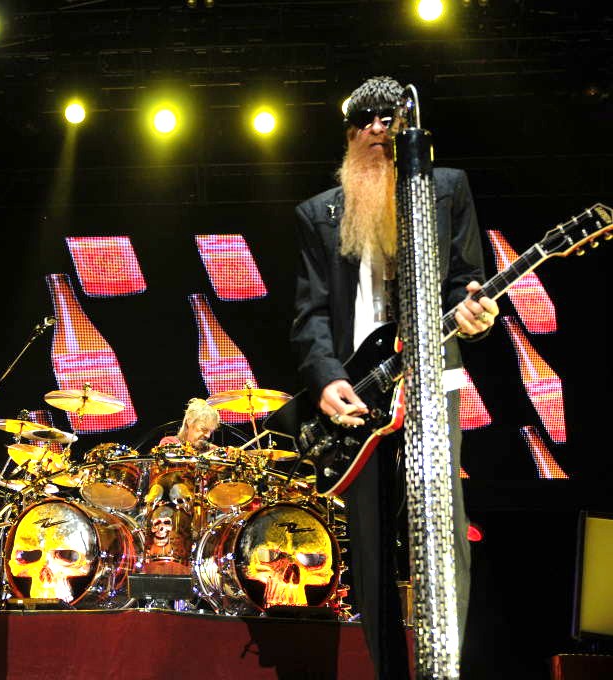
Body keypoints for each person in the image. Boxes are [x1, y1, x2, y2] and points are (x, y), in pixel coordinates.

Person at [289, 76, 499, 679]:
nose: (379, 129)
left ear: (409, 127)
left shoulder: (447, 188)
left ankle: (446, 668)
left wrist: (477, 315)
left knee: (442, 527)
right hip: (359, 393)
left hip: (432, 380)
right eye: (366, 121)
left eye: (389, 118)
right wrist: (326, 378)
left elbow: (465, 284)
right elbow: (310, 313)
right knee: (370, 542)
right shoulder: (318, 214)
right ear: (349, 136)